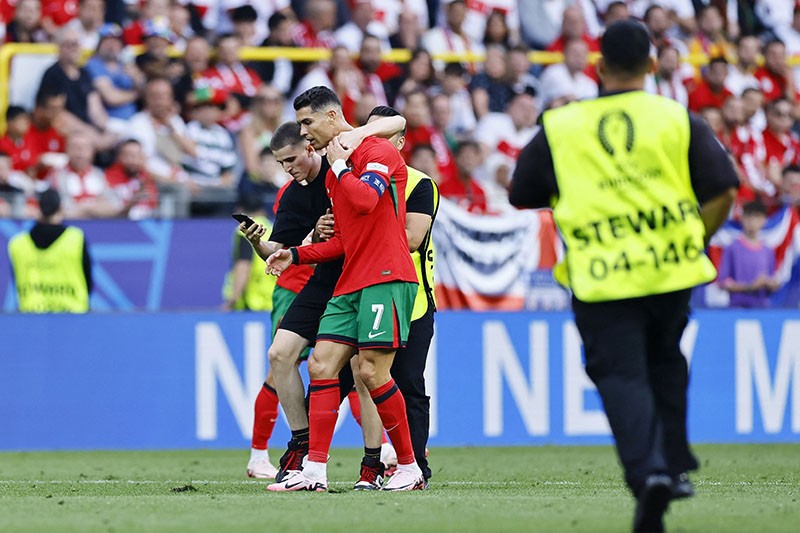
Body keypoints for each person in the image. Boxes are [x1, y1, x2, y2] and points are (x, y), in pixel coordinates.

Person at [509, 20, 739, 532]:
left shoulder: (564, 126)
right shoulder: (678, 119)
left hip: (602, 275)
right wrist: (694, 237)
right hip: (671, 271)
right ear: (654, 66)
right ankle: (674, 465)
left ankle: (651, 472)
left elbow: (521, 192)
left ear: (599, 68)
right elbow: (724, 188)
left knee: (621, 375)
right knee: (665, 361)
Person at [266, 86, 423, 492]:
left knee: (370, 371)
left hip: (386, 276)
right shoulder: (340, 168)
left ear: (332, 117)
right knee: (320, 365)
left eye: (307, 123)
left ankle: (407, 467)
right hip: (351, 278)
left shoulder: (377, 153)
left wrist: (338, 167)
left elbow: (368, 200)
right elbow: (344, 240)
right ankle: (314, 470)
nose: (304, 133)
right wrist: (296, 256)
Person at [8, 188, 93, 313]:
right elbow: (88, 279)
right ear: (61, 208)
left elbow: (16, 280)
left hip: (31, 315)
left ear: (38, 209)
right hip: (72, 315)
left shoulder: (17, 243)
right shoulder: (76, 238)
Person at [718, 200, 780, 308]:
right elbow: (723, 282)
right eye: (748, 217)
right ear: (742, 219)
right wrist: (750, 286)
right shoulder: (732, 248)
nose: (752, 222)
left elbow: (772, 278)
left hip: (762, 309)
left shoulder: (768, 251)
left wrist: (770, 284)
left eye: (757, 217)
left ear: (764, 220)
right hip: (737, 308)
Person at [222, 194, 277, 312]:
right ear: (262, 210)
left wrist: (234, 298)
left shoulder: (245, 231)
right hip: (273, 299)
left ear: (239, 211)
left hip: (252, 302)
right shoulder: (271, 228)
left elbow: (243, 265)